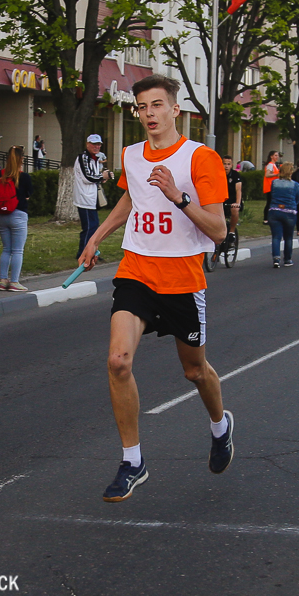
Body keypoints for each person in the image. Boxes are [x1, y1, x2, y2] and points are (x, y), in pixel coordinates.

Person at [77, 74, 232, 503]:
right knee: (117, 361)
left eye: (157, 105)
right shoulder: (131, 155)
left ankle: (220, 426)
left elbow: (219, 230)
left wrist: (178, 197)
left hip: (182, 278)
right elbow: (131, 199)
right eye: (142, 107)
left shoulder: (200, 158)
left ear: (175, 110)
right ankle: (133, 461)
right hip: (137, 270)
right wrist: (96, 237)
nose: (149, 114)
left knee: (194, 371)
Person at [0, 144, 33, 292]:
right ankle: (14, 282)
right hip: (18, 215)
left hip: (2, 215)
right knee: (17, 250)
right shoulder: (24, 177)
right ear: (21, 159)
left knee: (6, 249)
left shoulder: (0, 174)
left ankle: (3, 280)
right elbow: (28, 194)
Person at [74, 134, 113, 260]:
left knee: (93, 227)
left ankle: (89, 252)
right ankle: (84, 254)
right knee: (89, 227)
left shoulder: (94, 158)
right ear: (87, 144)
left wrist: (103, 177)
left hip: (90, 198)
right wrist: (102, 176)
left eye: (98, 144)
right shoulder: (83, 158)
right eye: (94, 144)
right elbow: (87, 177)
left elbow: (93, 176)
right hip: (84, 198)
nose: (96, 147)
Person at [267, 161, 299, 267]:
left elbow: (271, 195)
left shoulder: (274, 183)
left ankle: (276, 259)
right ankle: (287, 259)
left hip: (274, 211)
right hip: (289, 212)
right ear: (291, 172)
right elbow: (298, 198)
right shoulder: (295, 185)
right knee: (288, 237)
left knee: (276, 237)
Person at [222, 155, 243, 237]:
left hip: (233, 200)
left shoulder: (235, 175)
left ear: (232, 165)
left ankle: (232, 231)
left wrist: (237, 203)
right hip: (221, 199)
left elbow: (238, 190)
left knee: (234, 210)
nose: (226, 166)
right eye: (224, 164)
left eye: (228, 164)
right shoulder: (218, 174)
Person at [262, 150, 280, 224]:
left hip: (273, 186)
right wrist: (276, 175)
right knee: (269, 203)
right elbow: (267, 175)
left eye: (277, 155)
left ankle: (270, 217)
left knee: (271, 203)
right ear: (271, 156)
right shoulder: (270, 165)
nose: (277, 157)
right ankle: (266, 218)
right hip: (270, 186)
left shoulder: (274, 165)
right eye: (275, 155)